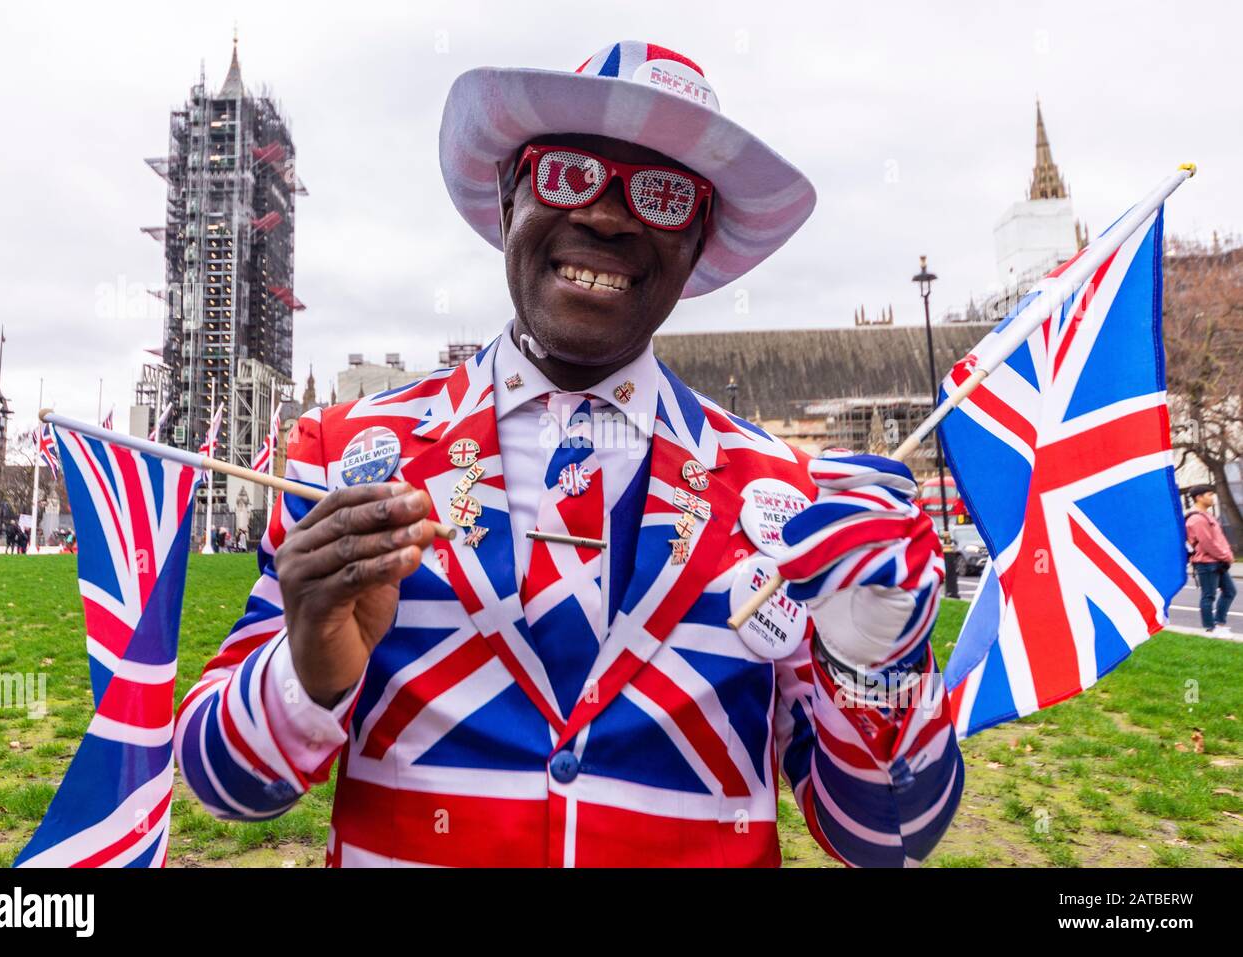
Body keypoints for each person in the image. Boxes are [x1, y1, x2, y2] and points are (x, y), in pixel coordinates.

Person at [176, 41, 963, 867]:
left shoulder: (786, 499)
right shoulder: (350, 458)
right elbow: (226, 783)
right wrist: (310, 671)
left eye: (661, 194)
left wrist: (876, 662)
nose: (608, 215)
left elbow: (888, 840)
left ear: (696, 245)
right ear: (511, 197)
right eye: (567, 175)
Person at [1185, 484, 1236, 636]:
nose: (1212, 497)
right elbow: (1207, 543)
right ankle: (1210, 628)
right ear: (1199, 497)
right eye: (1209, 494)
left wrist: (1227, 554)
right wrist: (1225, 556)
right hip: (1206, 563)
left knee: (1230, 591)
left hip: (1216, 562)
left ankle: (1219, 624)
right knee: (1209, 596)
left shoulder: (1207, 516)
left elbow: (1218, 539)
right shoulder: (1196, 519)